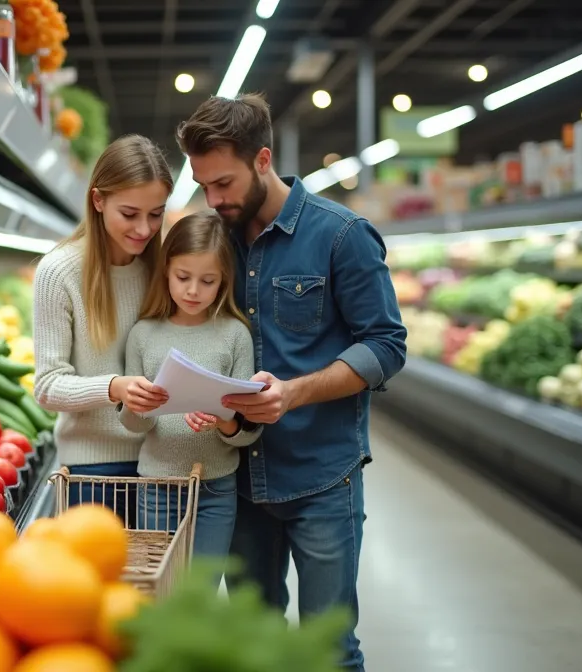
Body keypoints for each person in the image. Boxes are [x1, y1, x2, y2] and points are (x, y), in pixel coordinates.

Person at [175, 93, 407, 671]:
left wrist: (294, 392)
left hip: (321, 476)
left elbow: (386, 345)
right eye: (204, 185)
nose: (214, 199)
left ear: (262, 159)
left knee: (327, 647)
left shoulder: (341, 235)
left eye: (223, 182)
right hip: (238, 480)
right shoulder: (215, 238)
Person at [32, 134, 174, 513]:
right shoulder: (58, 272)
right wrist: (115, 388)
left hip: (162, 465)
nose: (145, 229)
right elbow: (47, 386)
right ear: (98, 200)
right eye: (129, 214)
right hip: (90, 472)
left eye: (156, 213)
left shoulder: (163, 271)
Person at [117, 211, 262, 570]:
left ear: (224, 281)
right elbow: (134, 427)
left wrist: (223, 422)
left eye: (208, 281)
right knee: (158, 589)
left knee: (200, 595)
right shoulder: (143, 334)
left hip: (215, 490)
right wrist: (138, 406)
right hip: (156, 486)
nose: (193, 290)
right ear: (165, 270)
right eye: (183, 277)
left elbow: (247, 433)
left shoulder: (234, 335)